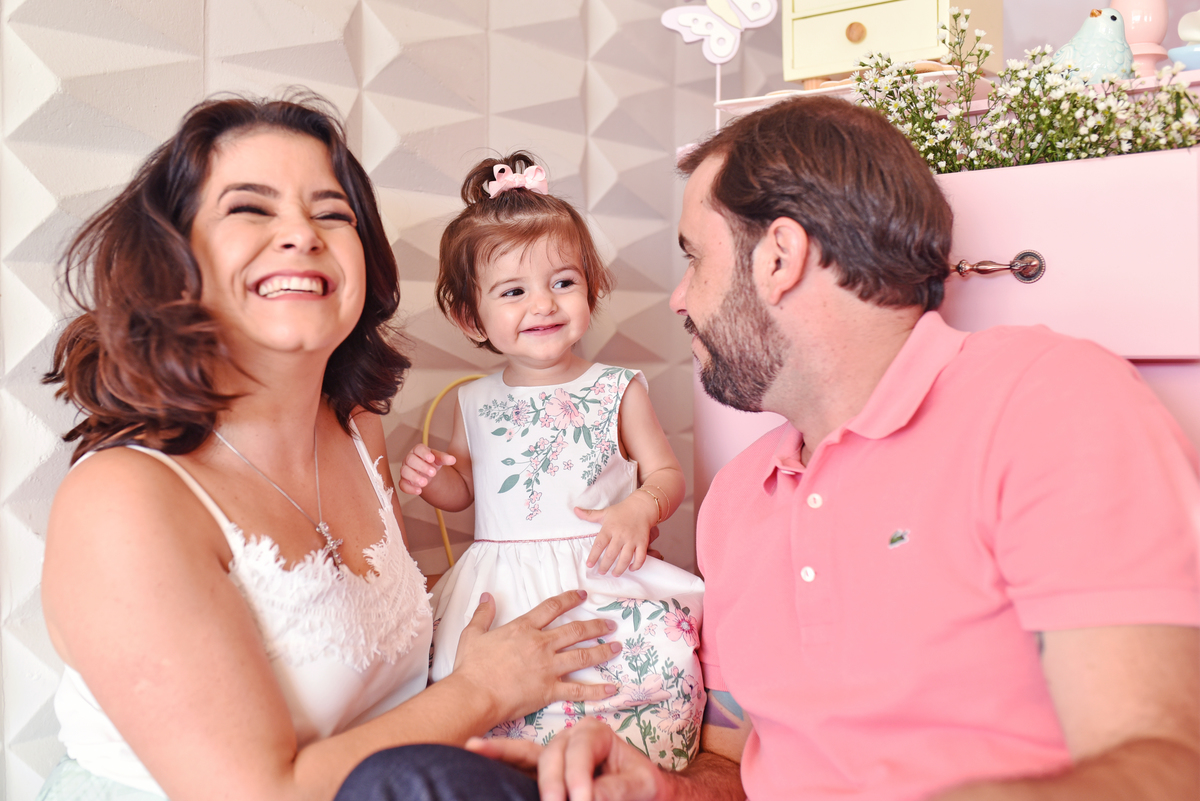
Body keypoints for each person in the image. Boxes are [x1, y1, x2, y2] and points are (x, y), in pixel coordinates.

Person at [357, 95, 1200, 799]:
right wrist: (663, 787)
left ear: (781, 258)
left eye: (695, 260)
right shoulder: (740, 498)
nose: (678, 300)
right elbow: (736, 763)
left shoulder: (1045, 398)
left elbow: (1166, 765)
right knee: (406, 780)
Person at [35, 95, 625, 801]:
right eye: (249, 208)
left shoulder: (356, 428)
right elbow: (261, 795)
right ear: (173, 259)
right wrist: (483, 690)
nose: (300, 234)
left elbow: (375, 681)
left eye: (331, 213)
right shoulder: (123, 500)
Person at [397, 153, 705, 763]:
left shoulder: (617, 388)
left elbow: (666, 474)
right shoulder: (472, 401)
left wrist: (641, 507)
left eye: (562, 283)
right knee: (499, 710)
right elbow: (466, 493)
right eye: (514, 292)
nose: (542, 304)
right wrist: (434, 480)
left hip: (602, 572)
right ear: (470, 315)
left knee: (643, 675)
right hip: (503, 587)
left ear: (591, 289)